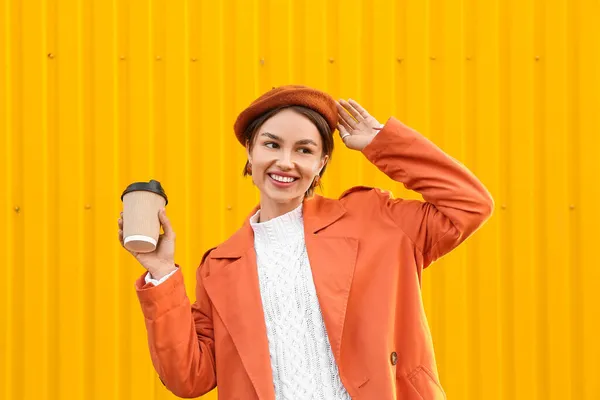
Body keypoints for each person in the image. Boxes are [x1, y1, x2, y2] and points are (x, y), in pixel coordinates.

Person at [117, 85, 494, 400]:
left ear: (322, 162)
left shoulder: (376, 219)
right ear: (250, 152)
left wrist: (383, 145)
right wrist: (162, 272)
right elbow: (189, 378)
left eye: (304, 150)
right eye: (271, 145)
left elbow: (469, 204)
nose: (285, 162)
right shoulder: (221, 265)